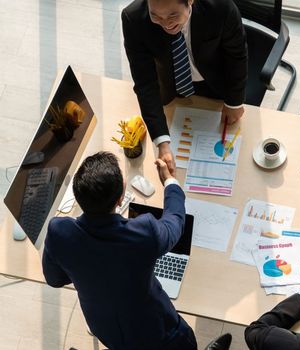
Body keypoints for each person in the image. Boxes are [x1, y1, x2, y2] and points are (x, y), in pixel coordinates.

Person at [41, 152, 196, 349]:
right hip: (161, 337)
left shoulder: (58, 232)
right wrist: (170, 181)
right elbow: (174, 223)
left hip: (108, 333)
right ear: (120, 198)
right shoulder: (144, 233)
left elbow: (54, 279)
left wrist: (91, 270)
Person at [122, 0, 248, 173]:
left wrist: (234, 102)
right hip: (172, 89)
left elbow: (237, 55)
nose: (166, 23)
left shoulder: (221, 6)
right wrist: (162, 142)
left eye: (173, 15)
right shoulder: (133, 18)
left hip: (216, 85)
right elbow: (145, 83)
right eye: (156, 16)